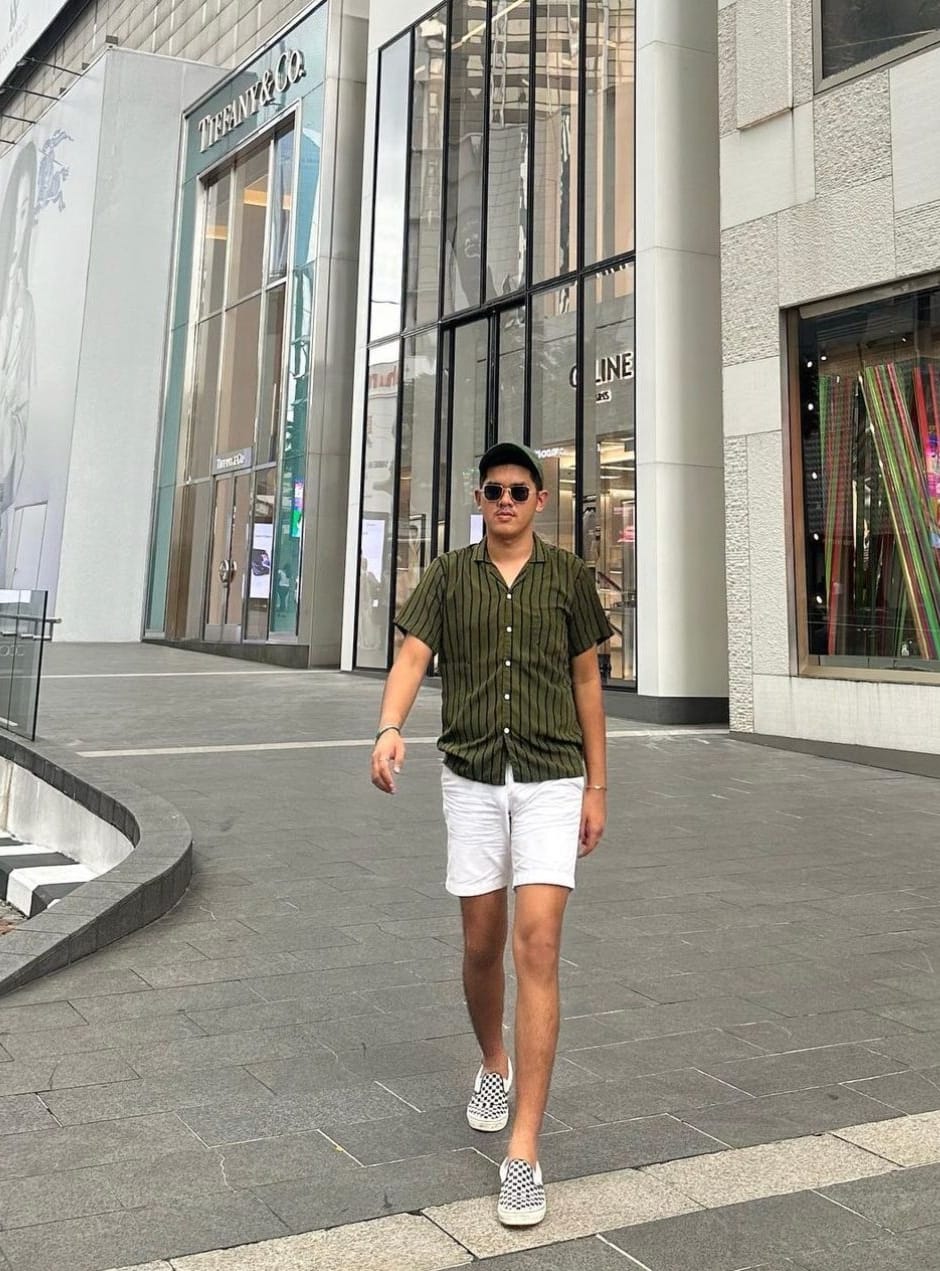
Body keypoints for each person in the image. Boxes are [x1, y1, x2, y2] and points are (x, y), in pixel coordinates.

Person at [370, 441, 613, 1228]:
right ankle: (493, 1060)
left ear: (540, 499)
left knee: (536, 943)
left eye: (518, 489)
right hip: (472, 776)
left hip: (551, 777)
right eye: (493, 490)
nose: (505, 500)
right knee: (483, 942)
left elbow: (587, 679)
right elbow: (413, 654)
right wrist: (389, 725)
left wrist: (598, 785)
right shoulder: (448, 575)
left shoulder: (568, 577)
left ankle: (524, 1151)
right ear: (479, 500)